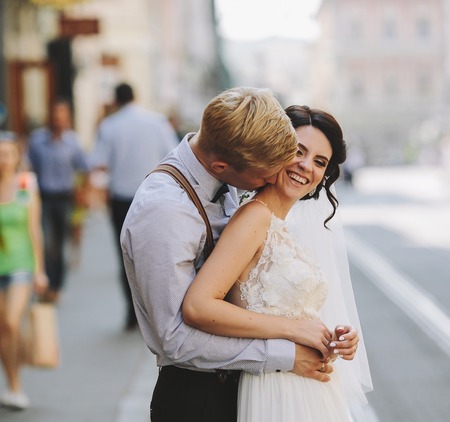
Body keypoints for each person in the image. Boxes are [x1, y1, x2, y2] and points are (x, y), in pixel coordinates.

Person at [121, 87, 359, 422]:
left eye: (318, 161)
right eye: (265, 172)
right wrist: (286, 352)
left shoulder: (230, 172)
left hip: (251, 385)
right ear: (221, 165)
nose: (272, 176)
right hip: (199, 397)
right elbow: (175, 339)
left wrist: (324, 334)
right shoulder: (164, 212)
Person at [183, 105, 372, 421]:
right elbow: (198, 306)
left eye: (319, 162)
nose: (305, 166)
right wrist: (298, 330)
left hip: (311, 387)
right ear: (276, 149)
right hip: (278, 390)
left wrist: (335, 336)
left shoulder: (283, 226)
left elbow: (295, 311)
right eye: (299, 151)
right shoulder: (254, 217)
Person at [90, 82, 179, 330]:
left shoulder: (109, 125)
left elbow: (98, 162)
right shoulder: (157, 121)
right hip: (156, 195)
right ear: (136, 96)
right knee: (156, 256)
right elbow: (173, 155)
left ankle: (133, 314)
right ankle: (156, 315)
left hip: (122, 198)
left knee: (126, 257)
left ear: (117, 100)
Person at [0, 131, 47, 410]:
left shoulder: (26, 184)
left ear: (17, 157)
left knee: (11, 323)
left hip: (21, 265)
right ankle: (12, 382)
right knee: (2, 329)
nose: (2, 160)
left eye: (7, 154)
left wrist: (40, 271)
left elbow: (34, 229)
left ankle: (15, 386)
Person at [27, 100, 89, 303]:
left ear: (67, 118)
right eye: (55, 114)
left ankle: (57, 285)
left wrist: (82, 192)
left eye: (62, 115)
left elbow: (84, 168)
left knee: (60, 243)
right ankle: (47, 282)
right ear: (50, 117)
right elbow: (29, 169)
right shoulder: (37, 141)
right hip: (43, 198)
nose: (58, 119)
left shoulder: (73, 142)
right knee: (45, 242)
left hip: (64, 199)